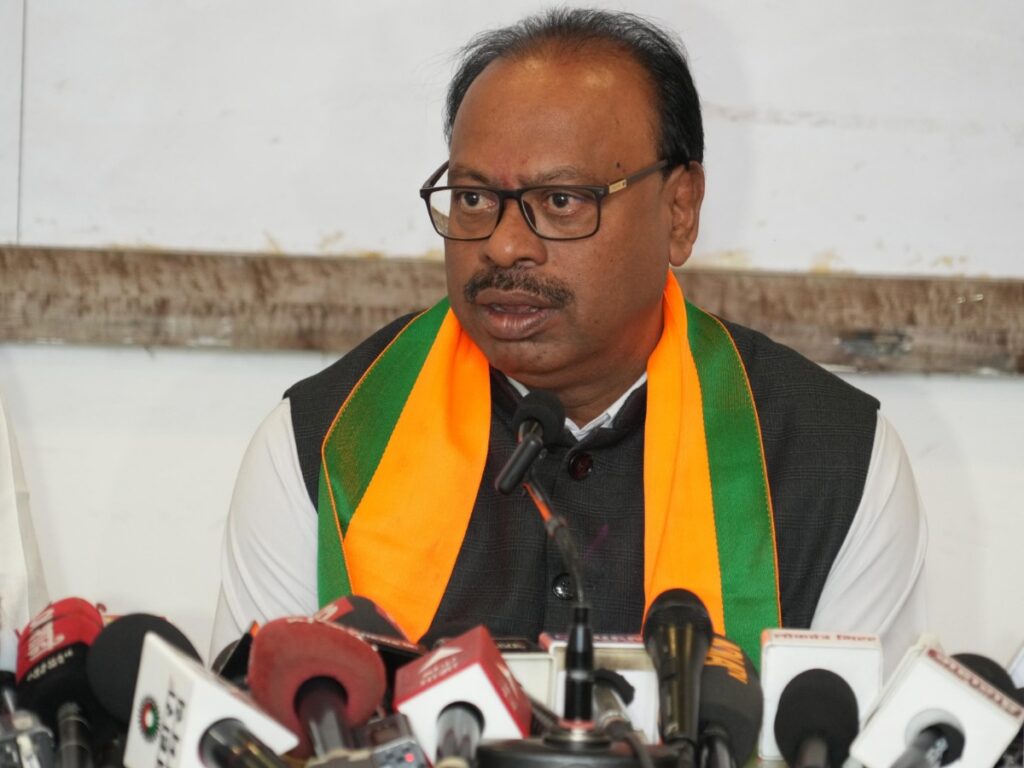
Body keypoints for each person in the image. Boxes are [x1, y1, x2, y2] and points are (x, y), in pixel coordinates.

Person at [212, 8, 925, 667]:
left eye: (560, 201)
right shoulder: (325, 445)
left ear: (679, 210)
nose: (503, 245)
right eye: (474, 198)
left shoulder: (833, 464)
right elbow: (244, 730)